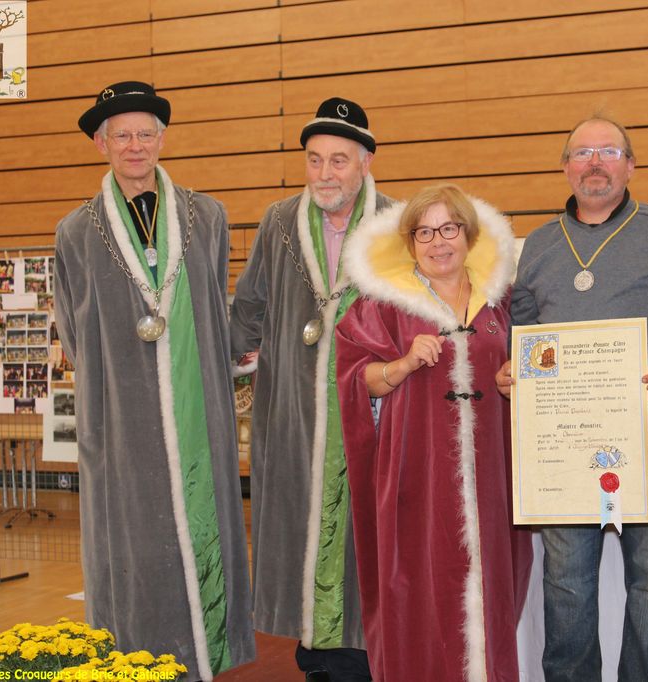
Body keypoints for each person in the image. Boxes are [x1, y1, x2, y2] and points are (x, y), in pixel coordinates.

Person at [496, 116, 648, 681]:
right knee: (566, 585)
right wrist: (514, 371)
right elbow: (523, 332)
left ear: (630, 165)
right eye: (582, 153)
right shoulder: (539, 244)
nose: (594, 163)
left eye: (608, 152)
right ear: (565, 167)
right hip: (563, 446)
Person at [54, 81, 255, 681]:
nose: (135, 145)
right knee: (135, 542)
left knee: (203, 525)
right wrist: (118, 391)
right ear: (101, 144)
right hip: (121, 416)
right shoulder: (76, 231)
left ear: (162, 140)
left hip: (199, 406)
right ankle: (134, 655)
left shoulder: (206, 216)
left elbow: (216, 305)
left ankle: (206, 651)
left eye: (145, 134)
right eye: (122, 136)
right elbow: (73, 331)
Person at [335, 184, 533, 682]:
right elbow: (356, 378)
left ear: (468, 235)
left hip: (493, 476)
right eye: (423, 233)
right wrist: (401, 364)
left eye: (448, 229)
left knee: (491, 587)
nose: (437, 242)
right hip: (415, 476)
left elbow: (535, 362)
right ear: (410, 242)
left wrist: (517, 377)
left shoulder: (502, 302)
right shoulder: (382, 305)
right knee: (418, 588)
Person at [229, 97, 393, 681]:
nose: (325, 174)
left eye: (339, 161)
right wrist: (230, 359)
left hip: (373, 405)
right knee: (300, 528)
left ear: (366, 163)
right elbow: (250, 303)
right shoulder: (279, 221)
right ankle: (314, 653)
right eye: (315, 160)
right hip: (293, 410)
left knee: (363, 534)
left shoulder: (397, 223)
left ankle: (367, 650)